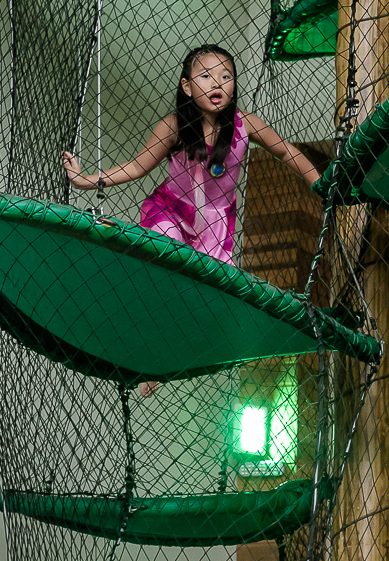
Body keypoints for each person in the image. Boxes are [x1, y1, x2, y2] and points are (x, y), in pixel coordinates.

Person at [62, 44, 322, 396]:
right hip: (172, 211)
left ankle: (166, 355)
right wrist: (86, 180)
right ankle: (145, 354)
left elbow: (287, 151)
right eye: (206, 76)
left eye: (226, 76)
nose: (217, 83)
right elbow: (138, 167)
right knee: (163, 264)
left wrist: (320, 182)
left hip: (215, 226)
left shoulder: (246, 126)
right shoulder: (174, 126)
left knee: (208, 293)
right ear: (186, 87)